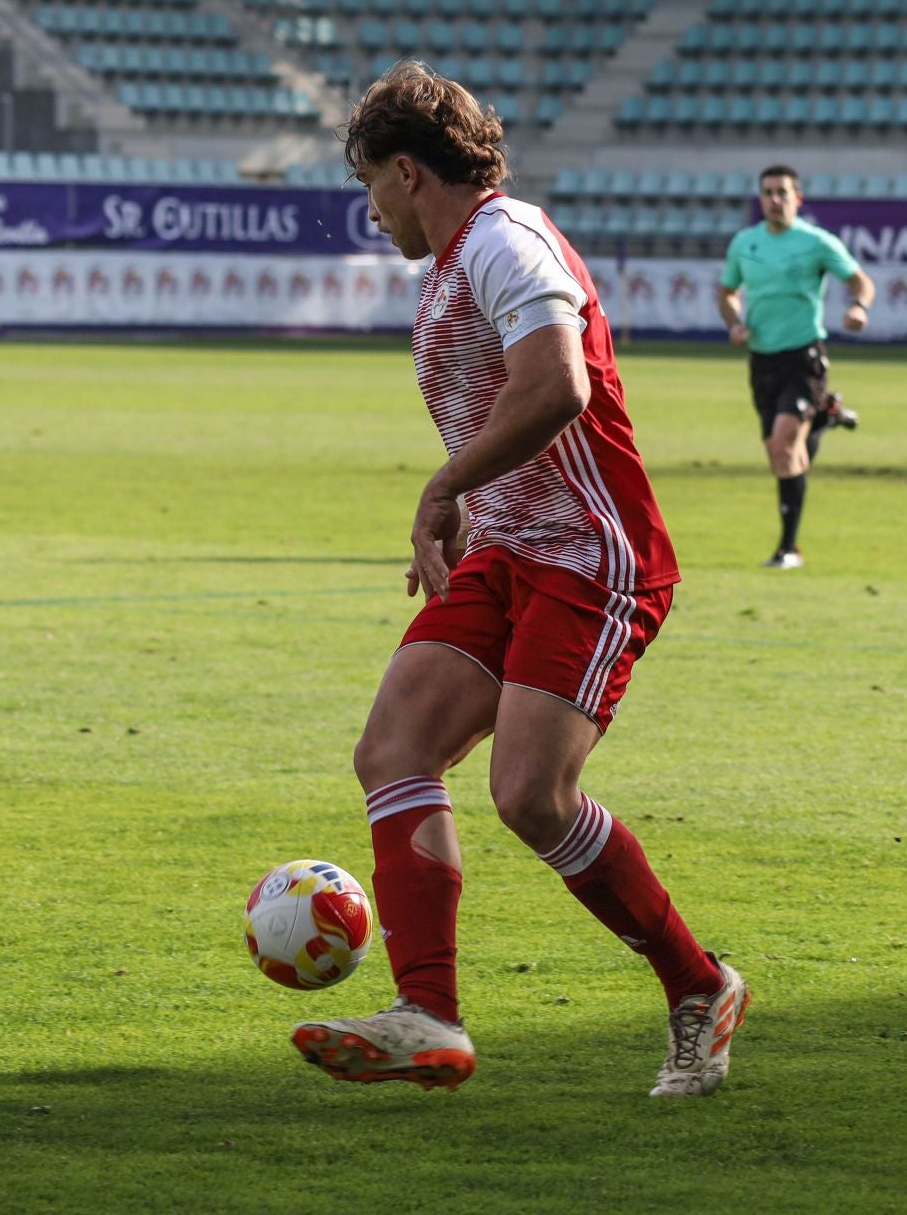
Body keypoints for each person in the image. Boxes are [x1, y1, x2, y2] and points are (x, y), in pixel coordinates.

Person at [292, 62, 746, 1099]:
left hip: (591, 552)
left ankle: (700, 984)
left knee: (531, 796)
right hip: (507, 550)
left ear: (409, 171)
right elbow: (506, 407)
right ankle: (427, 1016)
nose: (371, 211)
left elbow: (557, 386)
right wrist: (467, 500)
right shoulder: (454, 263)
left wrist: (443, 485)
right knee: (393, 749)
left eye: (370, 184)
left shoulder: (506, 239)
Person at [718, 165, 875, 569]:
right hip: (762, 360)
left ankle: (788, 549)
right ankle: (823, 416)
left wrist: (859, 306)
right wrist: (734, 323)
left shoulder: (816, 242)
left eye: (782, 192)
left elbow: (861, 281)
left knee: (786, 446)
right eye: (768, 192)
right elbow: (727, 291)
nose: (774, 199)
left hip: (804, 357)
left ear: (797, 198)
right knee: (779, 454)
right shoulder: (745, 243)